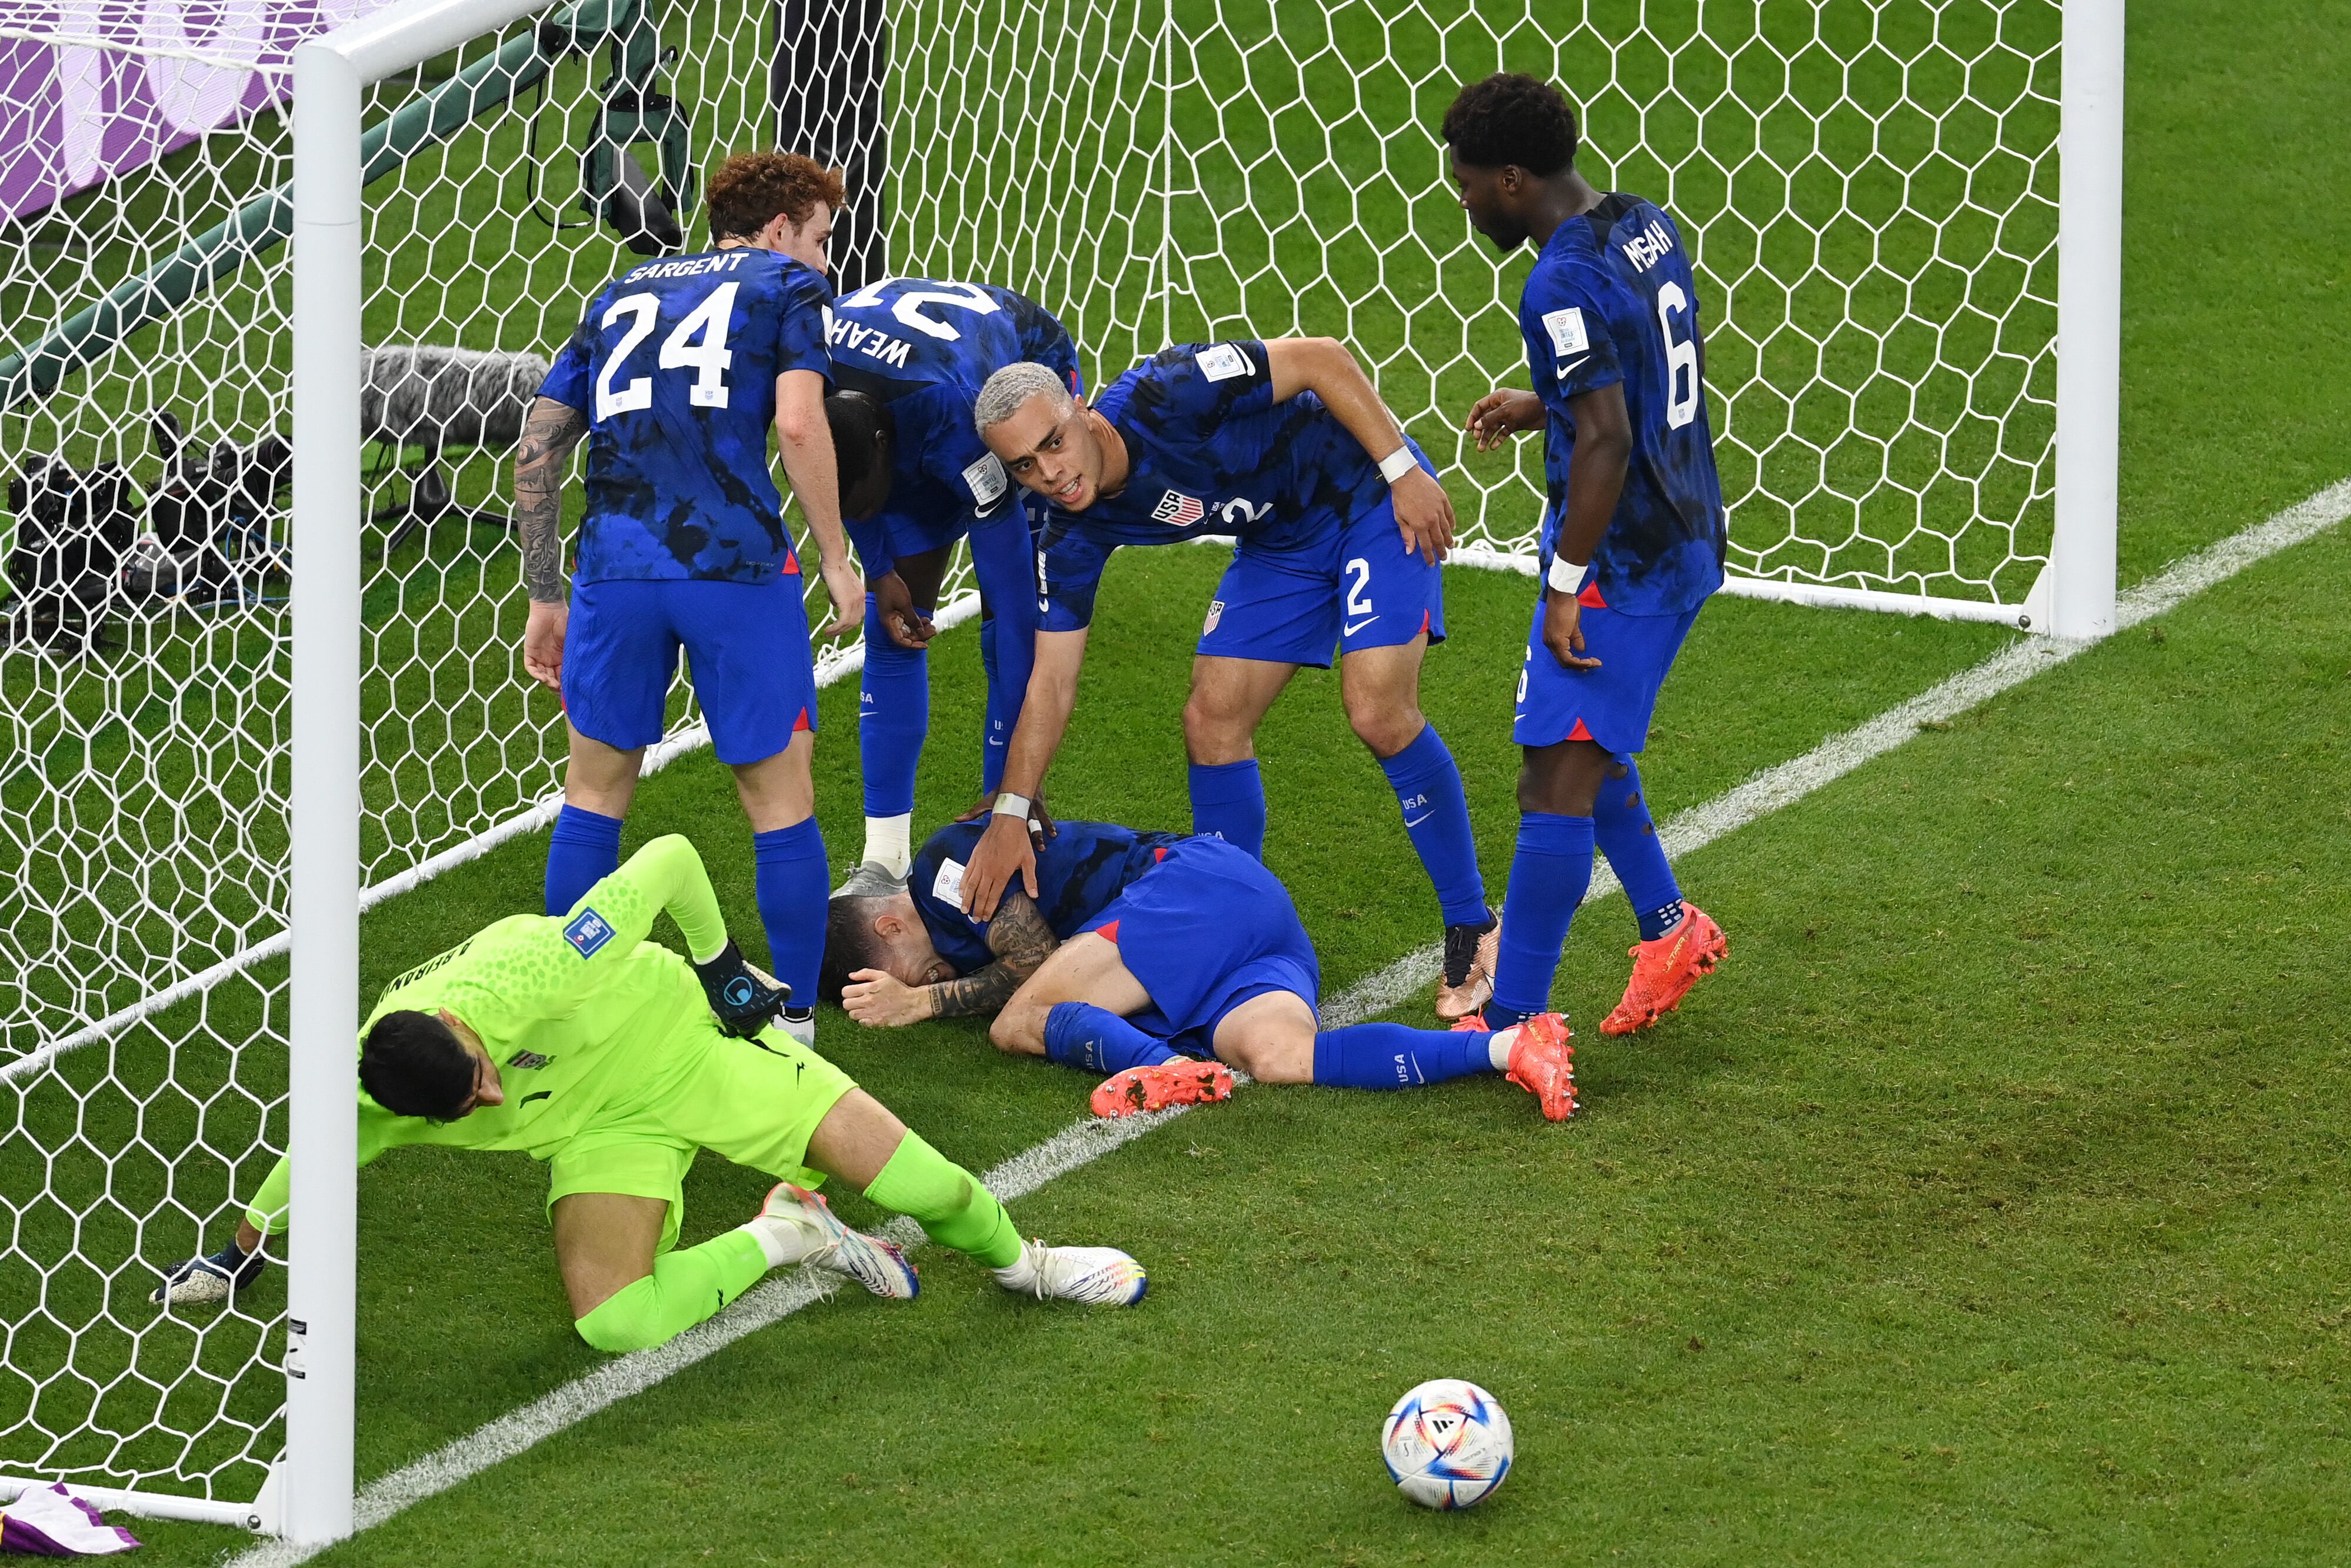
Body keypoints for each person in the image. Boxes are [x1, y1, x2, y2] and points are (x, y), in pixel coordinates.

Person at [149, 837, 1147, 1347]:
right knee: (610, 1324)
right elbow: (312, 1157)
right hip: (598, 1134)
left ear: (468, 1033)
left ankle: (1034, 1264)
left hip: (682, 1047)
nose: (492, 1098)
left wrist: (717, 969)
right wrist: (238, 1254)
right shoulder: (368, 1093)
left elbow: (667, 863)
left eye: (485, 1077)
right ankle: (791, 1232)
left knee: (921, 1186)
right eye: (468, 1110)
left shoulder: (537, 972)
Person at [958, 339, 1502, 1021]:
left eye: (1054, 443)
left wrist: (1402, 471)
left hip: (1368, 493)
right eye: (1026, 466)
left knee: (1377, 709)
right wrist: (1011, 809)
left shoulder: (1171, 389)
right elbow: (1053, 678)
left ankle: (1473, 926)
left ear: (1080, 408)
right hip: (1281, 541)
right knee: (1211, 721)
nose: (1051, 474)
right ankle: (1235, 927)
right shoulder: (1071, 530)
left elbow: (1322, 359)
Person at [513, 151, 864, 1044]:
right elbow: (796, 420)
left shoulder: (618, 293)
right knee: (780, 801)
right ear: (781, 229)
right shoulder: (787, 289)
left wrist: (547, 592)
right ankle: (793, 1030)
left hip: (614, 573)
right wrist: (835, 556)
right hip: (735, 571)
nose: (826, 260)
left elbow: (538, 452)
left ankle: (572, 1010)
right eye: (822, 239)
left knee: (593, 794)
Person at [1444, 74, 1731, 1037]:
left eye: (1472, 180)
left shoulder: (1556, 279)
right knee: (1588, 747)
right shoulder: (1639, 220)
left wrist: (1567, 586)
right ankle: (1667, 929)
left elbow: (1605, 441)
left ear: (1516, 178)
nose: (1465, 197)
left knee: (1552, 780)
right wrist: (1547, 399)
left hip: (1626, 563)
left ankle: (1514, 1023)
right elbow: (1643, 355)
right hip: (1688, 529)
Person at [824, 820, 1576, 1122]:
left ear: (890, 922)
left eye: (909, 969)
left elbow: (1038, 968)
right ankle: (1512, 1047)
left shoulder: (945, 872)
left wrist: (925, 1006)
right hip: (1244, 927)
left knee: (1016, 1022)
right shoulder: (941, 907)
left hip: (1189, 895)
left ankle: (1166, 1069)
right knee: (1279, 1058)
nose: (924, 978)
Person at [824, 277, 1085, 877]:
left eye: (870, 505)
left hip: (1020, 370)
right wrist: (880, 568)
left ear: (892, 451)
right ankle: (882, 862)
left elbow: (1019, 612)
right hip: (898, 390)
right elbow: (849, 496)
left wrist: (1020, 794)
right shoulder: (804, 383)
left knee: (1010, 621)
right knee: (895, 625)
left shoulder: (965, 432)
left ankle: (1001, 822)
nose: (866, 519)